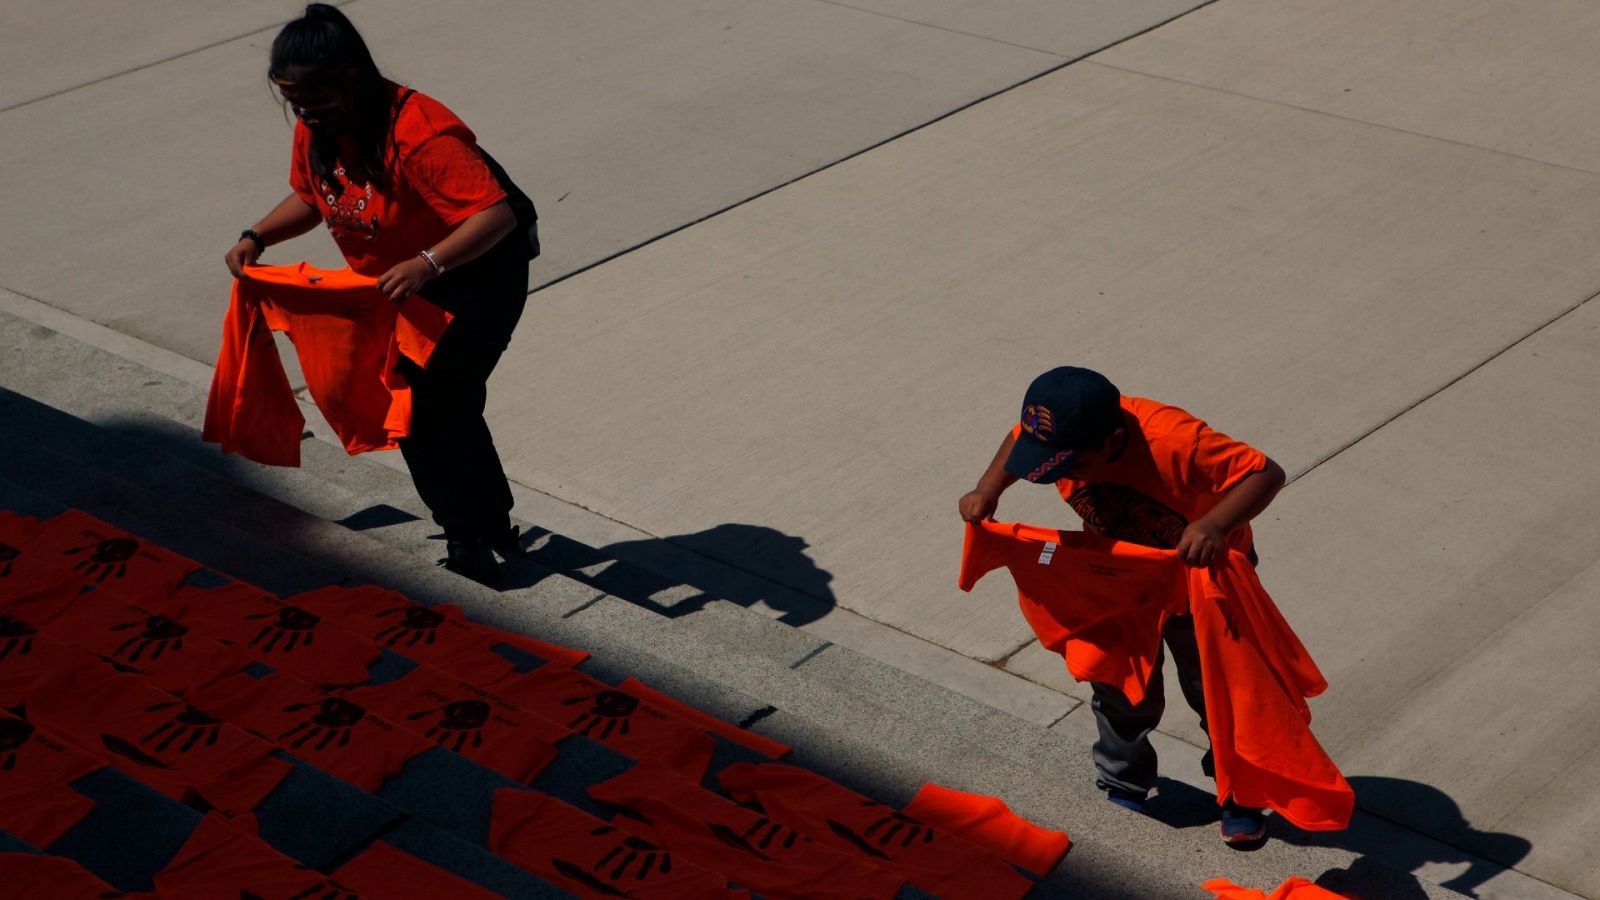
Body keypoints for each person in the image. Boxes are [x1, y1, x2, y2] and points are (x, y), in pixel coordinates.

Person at [224, 4, 529, 585]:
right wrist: (256, 235)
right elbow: (315, 198)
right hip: (403, 285)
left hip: (475, 276)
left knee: (427, 409)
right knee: (443, 408)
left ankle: (470, 539)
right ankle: (488, 526)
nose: (306, 114)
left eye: (315, 101)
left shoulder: (420, 133)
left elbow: (496, 216)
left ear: (351, 78)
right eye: (294, 103)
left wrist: (427, 262)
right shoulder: (318, 128)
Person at [958, 366, 1288, 844]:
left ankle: (1239, 794)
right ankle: (1123, 781)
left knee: (1219, 692)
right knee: (1116, 681)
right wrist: (989, 487)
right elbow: (1017, 439)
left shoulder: (1174, 440)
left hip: (1203, 585)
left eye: (1070, 467)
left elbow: (1265, 473)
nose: (1059, 475)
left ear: (1112, 441)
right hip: (1121, 580)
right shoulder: (1062, 432)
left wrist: (1215, 525)